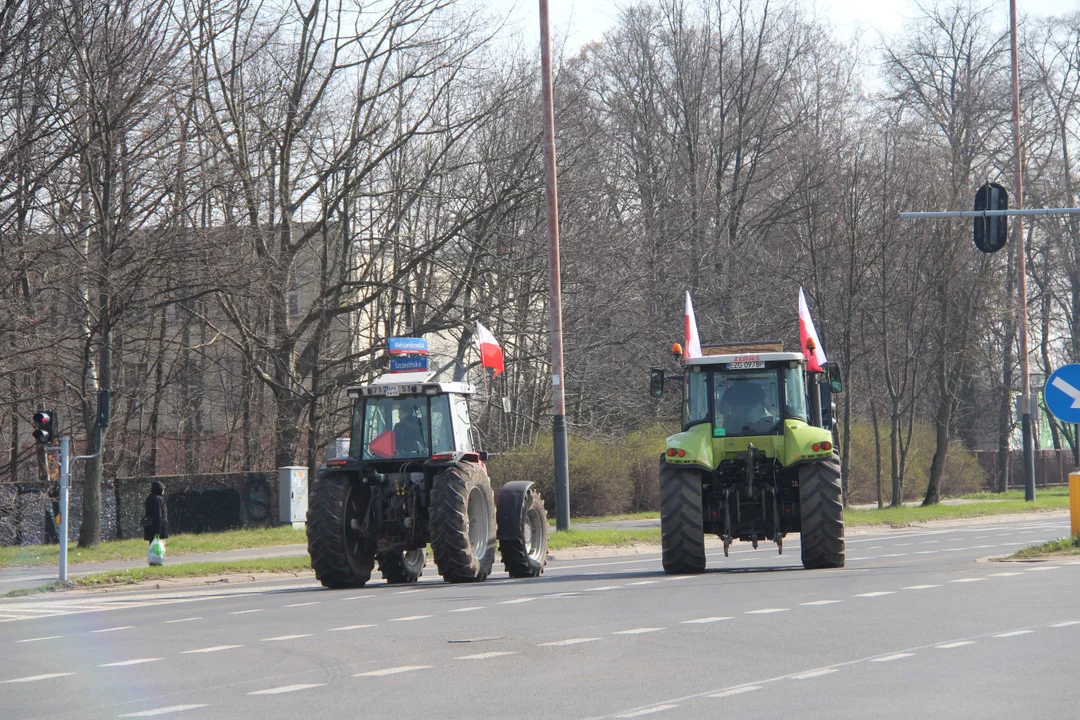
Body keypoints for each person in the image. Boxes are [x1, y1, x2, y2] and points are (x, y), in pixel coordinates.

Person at [143, 481, 169, 559]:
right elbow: (158, 515)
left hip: (150, 527)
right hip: (158, 527)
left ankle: (153, 559)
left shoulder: (149, 498)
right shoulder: (158, 499)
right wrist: (158, 531)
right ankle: (158, 559)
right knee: (159, 546)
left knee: (152, 545)